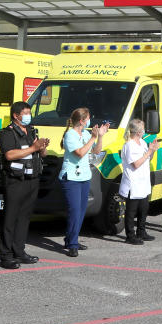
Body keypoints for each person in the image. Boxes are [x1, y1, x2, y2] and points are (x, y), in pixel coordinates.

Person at [0, 101, 48, 269]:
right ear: (16, 115)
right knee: (10, 218)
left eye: (29, 112)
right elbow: (10, 155)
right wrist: (33, 147)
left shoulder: (32, 130)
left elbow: (42, 154)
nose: (28, 115)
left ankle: (19, 251)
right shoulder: (7, 133)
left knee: (24, 218)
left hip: (32, 179)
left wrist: (42, 147)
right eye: (25, 112)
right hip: (15, 181)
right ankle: (6, 255)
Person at [60, 108, 107, 256]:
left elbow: (96, 151)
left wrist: (99, 137)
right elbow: (80, 153)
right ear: (81, 121)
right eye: (88, 118)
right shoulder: (70, 135)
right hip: (71, 177)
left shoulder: (86, 133)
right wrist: (93, 138)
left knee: (80, 212)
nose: (89, 120)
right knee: (74, 211)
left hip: (84, 177)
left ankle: (70, 238)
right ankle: (73, 244)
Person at [118, 118, 160, 245]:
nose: (144, 131)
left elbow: (147, 159)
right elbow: (136, 164)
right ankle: (130, 235)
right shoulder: (129, 145)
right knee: (131, 212)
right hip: (133, 184)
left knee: (144, 208)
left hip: (143, 182)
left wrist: (152, 151)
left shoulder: (141, 142)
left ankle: (141, 232)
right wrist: (149, 152)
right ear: (138, 132)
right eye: (143, 129)